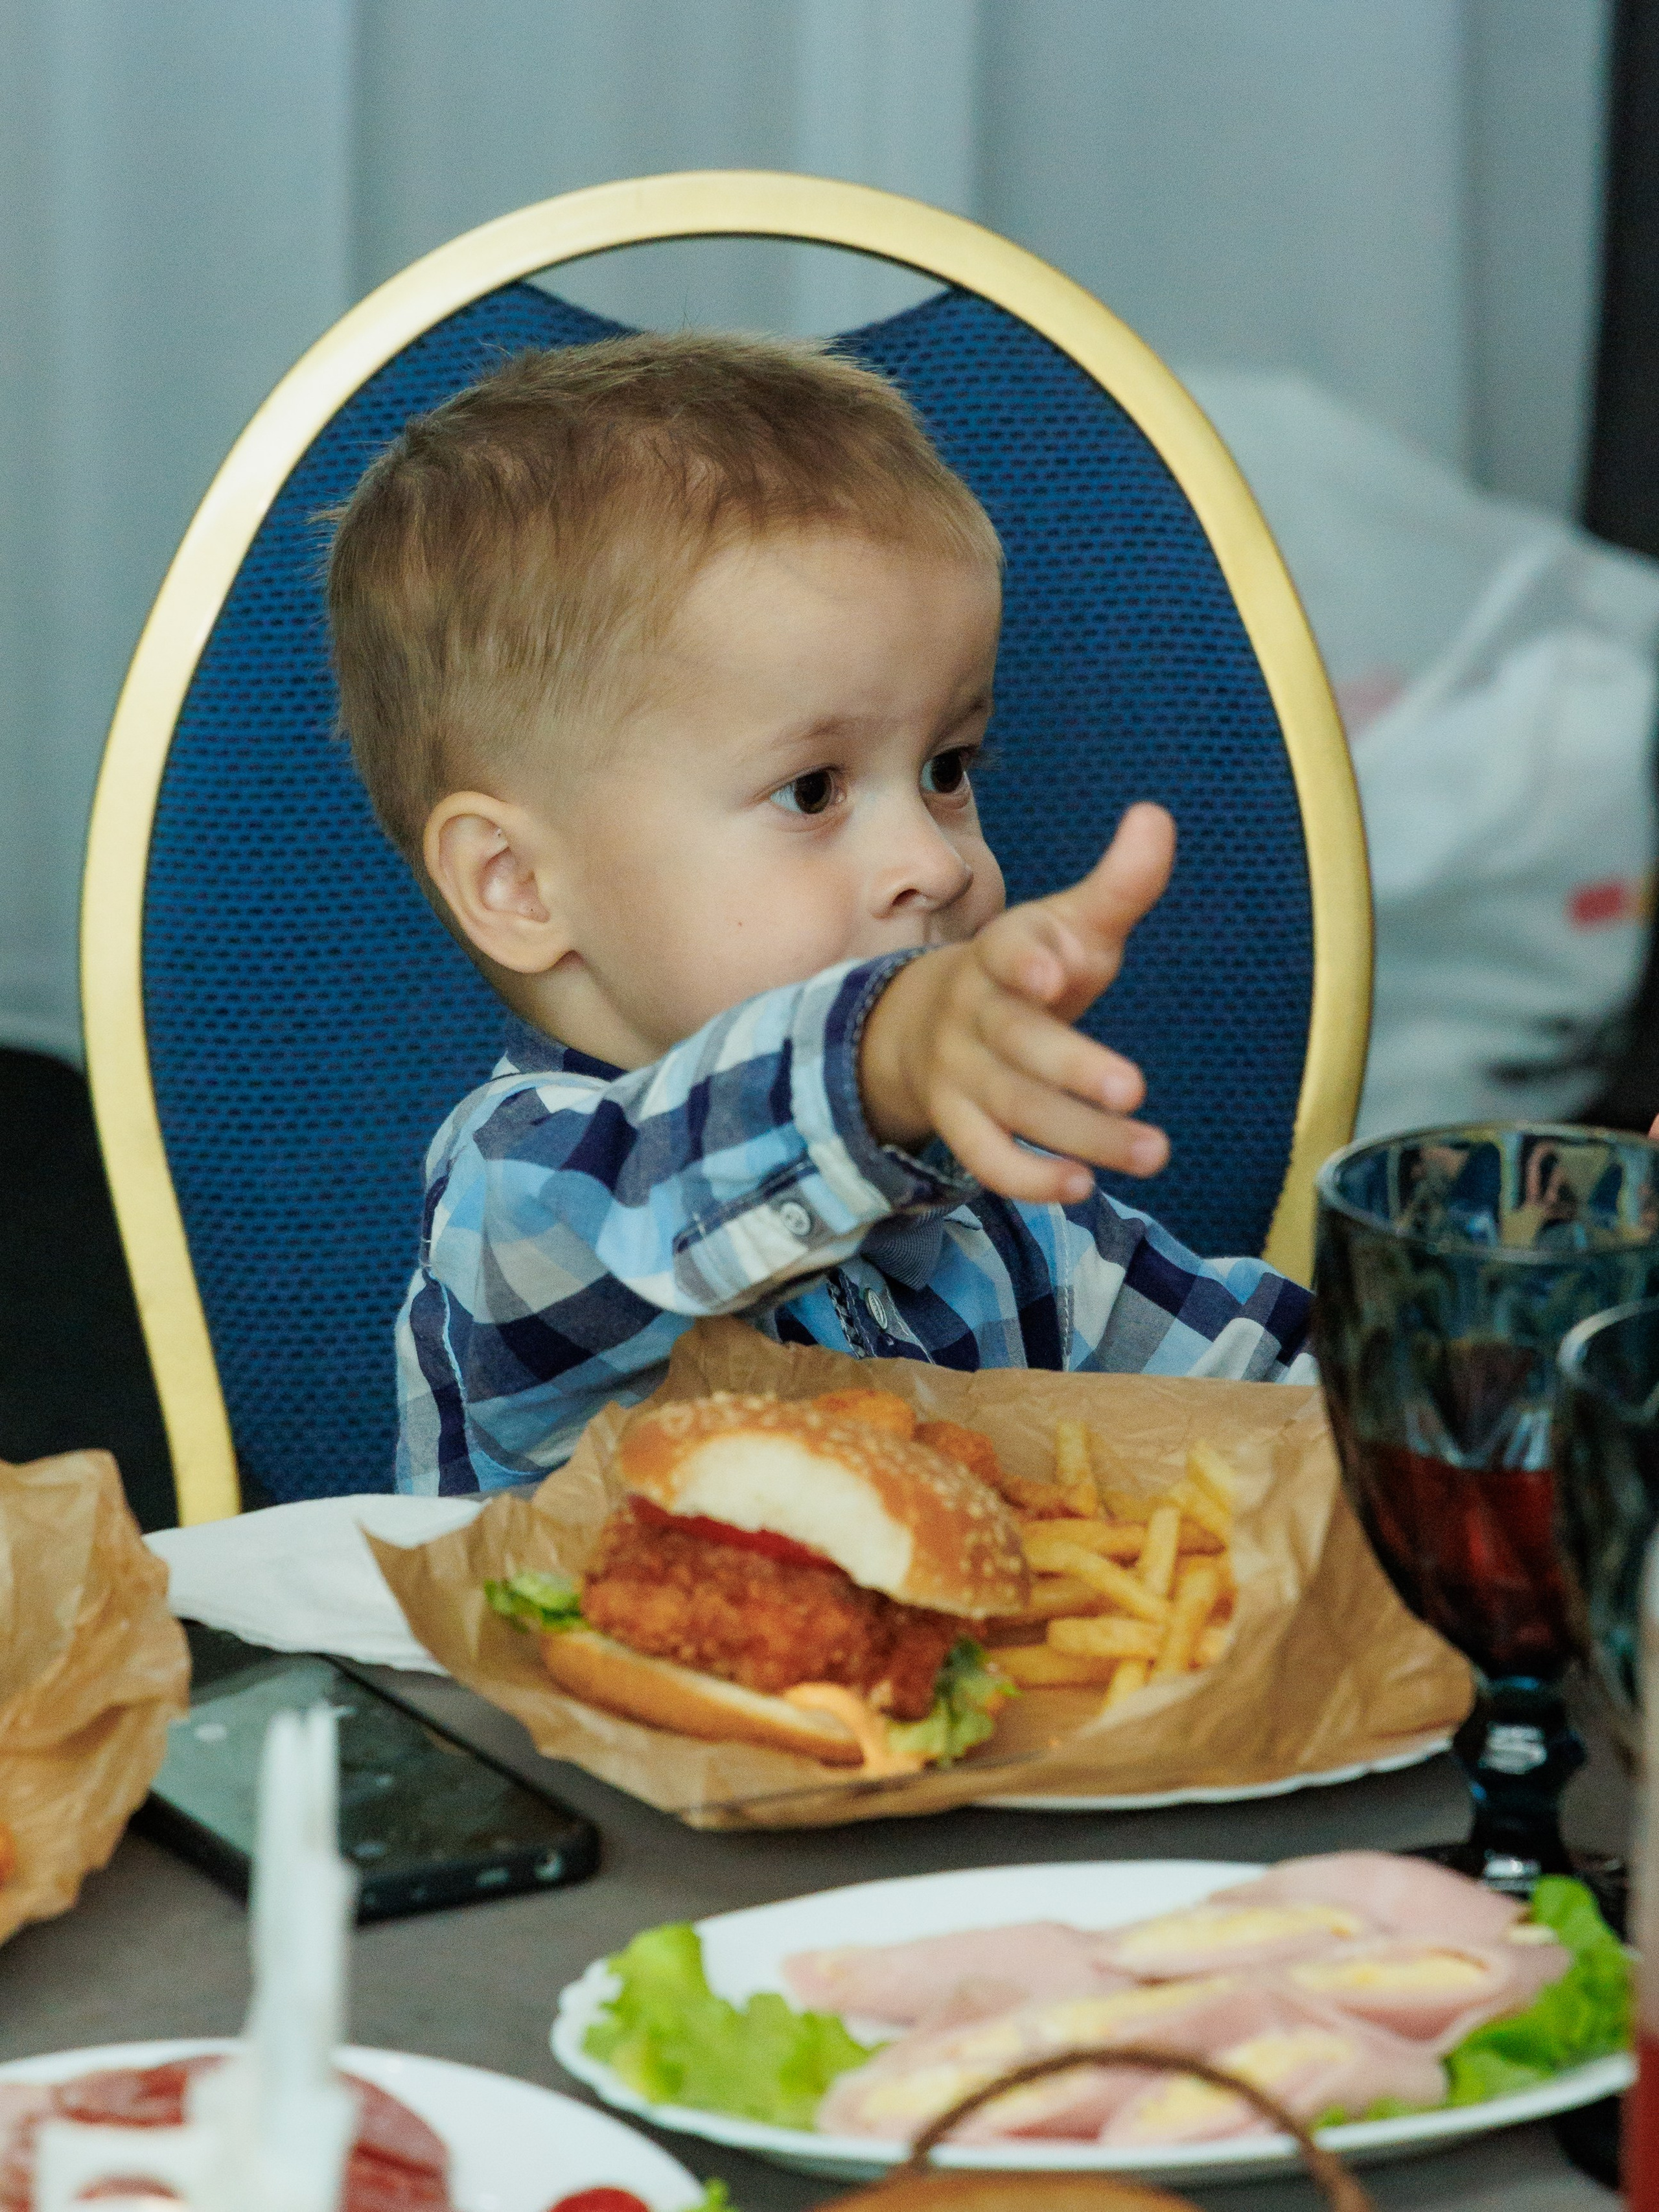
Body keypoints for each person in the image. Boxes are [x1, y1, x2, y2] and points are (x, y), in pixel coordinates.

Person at [325, 333, 1315, 1496]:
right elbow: (667, 1197)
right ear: (518, 883)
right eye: (814, 790)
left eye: (948, 766)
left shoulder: (984, 1210)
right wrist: (884, 1054)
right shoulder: (522, 1196)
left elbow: (1256, 1387)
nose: (933, 864)